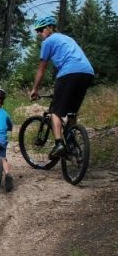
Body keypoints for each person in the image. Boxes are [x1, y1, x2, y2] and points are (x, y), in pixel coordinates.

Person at [30, 16, 94, 159]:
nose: (39, 34)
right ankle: (71, 143)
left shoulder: (48, 41)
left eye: (41, 30)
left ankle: (59, 144)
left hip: (69, 72)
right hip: (87, 72)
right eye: (37, 31)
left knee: (56, 112)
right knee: (71, 112)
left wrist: (35, 89)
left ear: (50, 28)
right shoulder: (68, 39)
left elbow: (42, 69)